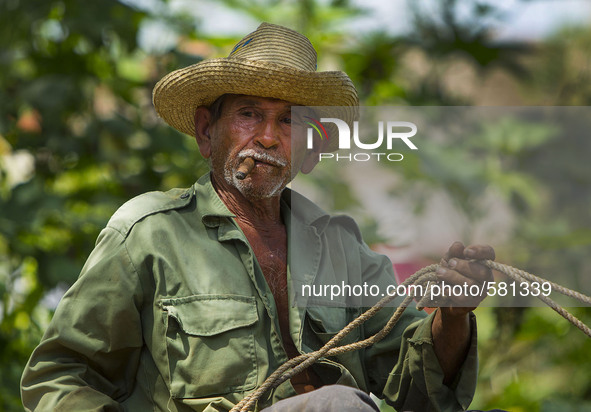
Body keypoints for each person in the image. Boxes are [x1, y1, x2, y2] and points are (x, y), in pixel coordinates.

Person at [21, 23, 496, 412]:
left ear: (311, 151)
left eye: (289, 121)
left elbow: (420, 394)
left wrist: (452, 318)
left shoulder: (342, 249)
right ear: (208, 132)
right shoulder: (149, 232)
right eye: (249, 114)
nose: (268, 137)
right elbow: (59, 377)